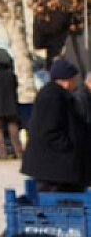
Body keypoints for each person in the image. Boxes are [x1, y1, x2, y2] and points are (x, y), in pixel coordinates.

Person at [22, 59, 87, 191]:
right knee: (54, 198)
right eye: (73, 79)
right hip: (52, 165)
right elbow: (48, 131)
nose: (75, 82)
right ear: (67, 80)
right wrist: (70, 145)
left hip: (56, 165)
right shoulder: (52, 96)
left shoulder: (59, 95)